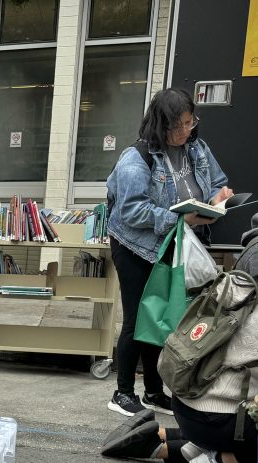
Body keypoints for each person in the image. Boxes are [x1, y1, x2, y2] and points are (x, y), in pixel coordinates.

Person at [102, 214, 258, 463]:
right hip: (217, 416)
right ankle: (225, 462)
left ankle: (166, 442)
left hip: (188, 404)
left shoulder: (233, 287)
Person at [106, 88, 232, 417]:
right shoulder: (137, 158)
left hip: (173, 247)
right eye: (181, 124)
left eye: (191, 122)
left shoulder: (197, 149)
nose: (188, 130)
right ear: (162, 125)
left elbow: (218, 180)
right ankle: (121, 392)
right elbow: (131, 211)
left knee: (163, 318)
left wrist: (220, 197)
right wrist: (178, 218)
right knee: (138, 317)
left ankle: (152, 391)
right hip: (135, 246)